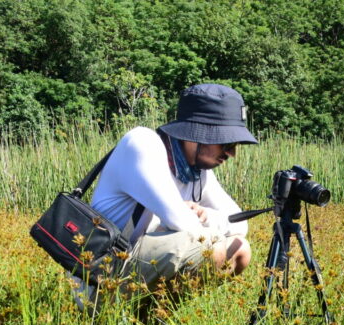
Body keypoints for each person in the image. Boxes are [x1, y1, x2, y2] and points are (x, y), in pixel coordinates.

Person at [90, 83, 255, 292]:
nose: (231, 153)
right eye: (227, 143)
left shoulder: (195, 170)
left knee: (240, 249)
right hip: (100, 277)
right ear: (198, 133)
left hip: (134, 268)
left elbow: (241, 225)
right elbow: (184, 224)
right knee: (210, 249)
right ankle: (126, 316)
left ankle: (156, 318)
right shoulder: (143, 144)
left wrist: (206, 215)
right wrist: (196, 221)